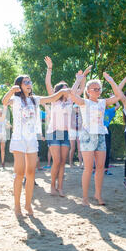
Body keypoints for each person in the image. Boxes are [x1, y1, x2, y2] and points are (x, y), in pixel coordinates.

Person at [2, 75, 71, 217]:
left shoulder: (35, 99)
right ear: (19, 85)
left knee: (31, 173)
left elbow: (52, 98)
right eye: (25, 82)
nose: (29, 84)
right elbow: (3, 101)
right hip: (19, 139)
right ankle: (17, 206)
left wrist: (63, 92)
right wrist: (11, 91)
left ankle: (27, 204)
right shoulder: (15, 99)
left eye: (29, 81)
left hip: (32, 140)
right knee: (20, 173)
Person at [69, 70, 122, 206]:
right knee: (88, 168)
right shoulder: (84, 102)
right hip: (87, 135)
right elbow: (72, 94)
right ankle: (85, 198)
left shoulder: (103, 102)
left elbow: (118, 96)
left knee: (100, 167)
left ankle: (98, 194)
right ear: (88, 90)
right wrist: (79, 79)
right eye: (95, 89)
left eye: (99, 89)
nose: (98, 91)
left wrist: (111, 81)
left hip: (100, 135)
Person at [43, 56, 89, 196]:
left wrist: (82, 77)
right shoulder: (54, 100)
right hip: (54, 132)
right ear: (59, 90)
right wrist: (49, 68)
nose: (67, 88)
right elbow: (48, 84)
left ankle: (60, 187)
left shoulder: (70, 100)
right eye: (64, 86)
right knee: (56, 160)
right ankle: (52, 186)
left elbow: (81, 88)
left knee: (62, 161)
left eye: (67, 86)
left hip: (65, 133)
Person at [104, 99, 121, 175]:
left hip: (106, 130)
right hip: (96, 130)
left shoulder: (108, 111)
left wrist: (113, 98)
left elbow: (118, 106)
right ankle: (95, 169)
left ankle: (106, 169)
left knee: (107, 150)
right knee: (96, 150)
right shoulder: (95, 109)